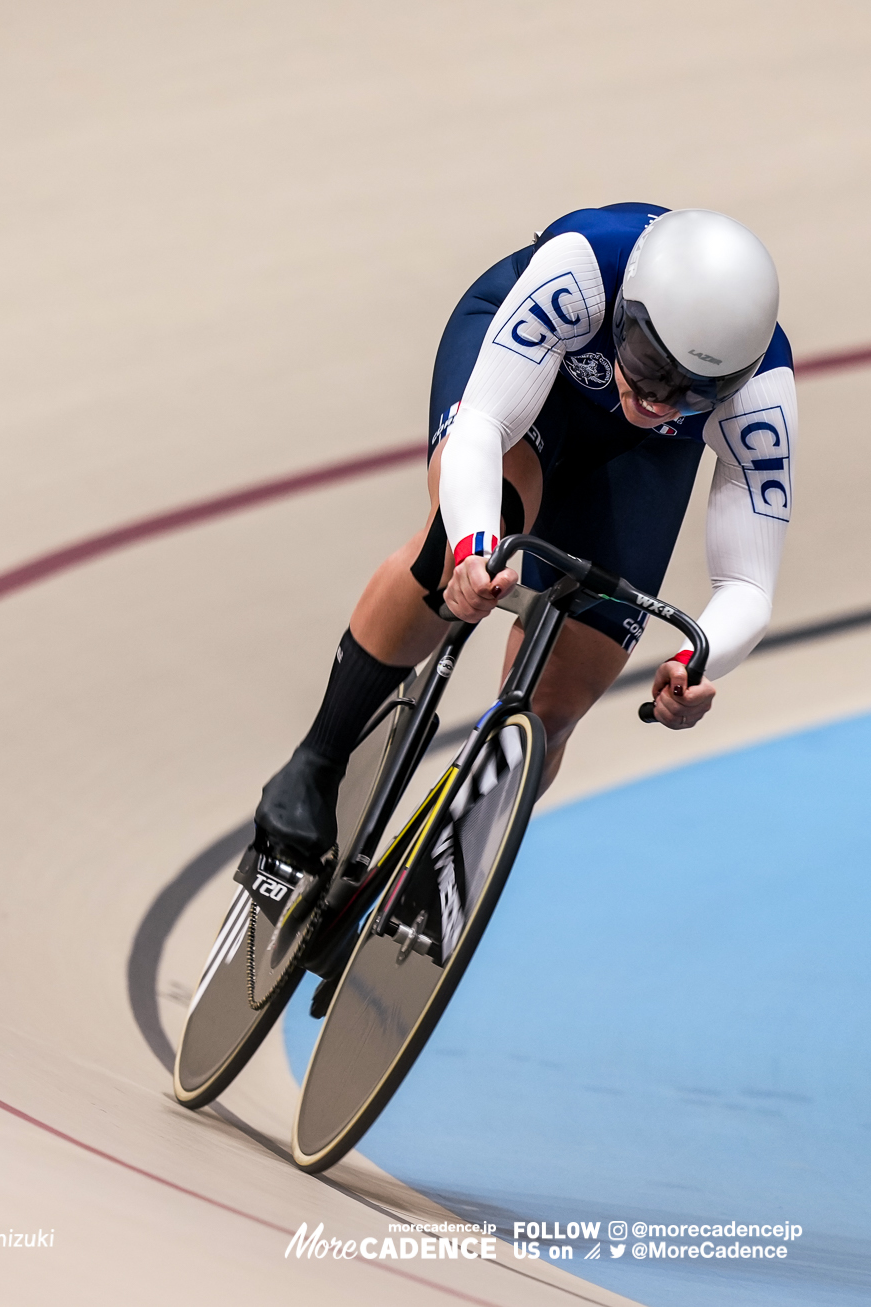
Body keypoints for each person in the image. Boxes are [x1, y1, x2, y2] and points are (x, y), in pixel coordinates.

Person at [254, 202, 797, 870]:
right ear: (627, 311)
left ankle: (449, 871)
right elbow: (482, 428)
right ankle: (317, 761)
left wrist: (697, 663)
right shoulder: (584, 267)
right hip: (530, 381)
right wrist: (472, 550)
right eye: (650, 364)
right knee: (456, 553)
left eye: (693, 393)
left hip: (644, 454)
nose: (659, 400)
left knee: (555, 707)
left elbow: (747, 584)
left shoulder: (762, 393)